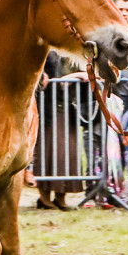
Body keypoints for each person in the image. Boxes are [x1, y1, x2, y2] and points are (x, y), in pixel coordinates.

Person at [34, 51, 87, 210]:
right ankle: (44, 198)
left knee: (67, 155)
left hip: (68, 109)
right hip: (49, 109)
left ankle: (60, 198)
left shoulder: (75, 54)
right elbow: (46, 77)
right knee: (47, 153)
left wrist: (76, 76)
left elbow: (90, 72)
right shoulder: (48, 53)